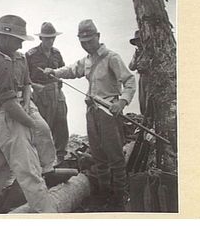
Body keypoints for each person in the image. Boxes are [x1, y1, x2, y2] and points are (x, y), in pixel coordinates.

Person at [44, 19, 136, 211]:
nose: (86, 44)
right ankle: (104, 195)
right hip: (91, 112)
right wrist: (54, 72)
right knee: (98, 157)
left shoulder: (112, 57)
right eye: (82, 41)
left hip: (109, 113)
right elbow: (71, 70)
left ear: (98, 37)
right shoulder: (86, 60)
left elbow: (129, 80)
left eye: (89, 40)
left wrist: (122, 102)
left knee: (116, 158)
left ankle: (119, 199)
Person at [0, 15, 57, 214]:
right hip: (8, 119)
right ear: (5, 37)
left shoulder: (15, 56)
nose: (21, 44)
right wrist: (29, 123)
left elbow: (27, 83)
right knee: (30, 175)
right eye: (18, 39)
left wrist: (27, 105)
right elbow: (10, 105)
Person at [26, 22, 69, 164]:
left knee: (61, 122)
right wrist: (35, 86)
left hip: (57, 91)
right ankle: (44, 161)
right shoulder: (31, 55)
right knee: (44, 126)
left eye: (52, 38)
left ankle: (61, 156)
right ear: (41, 38)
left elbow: (63, 69)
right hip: (41, 93)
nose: (50, 41)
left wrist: (59, 82)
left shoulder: (57, 53)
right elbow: (24, 78)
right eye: (47, 38)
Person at [128, 30, 150, 115]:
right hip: (142, 78)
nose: (138, 43)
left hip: (150, 78)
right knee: (142, 100)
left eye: (139, 40)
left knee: (149, 100)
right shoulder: (137, 53)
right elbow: (131, 67)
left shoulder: (149, 51)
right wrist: (135, 56)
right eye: (136, 41)